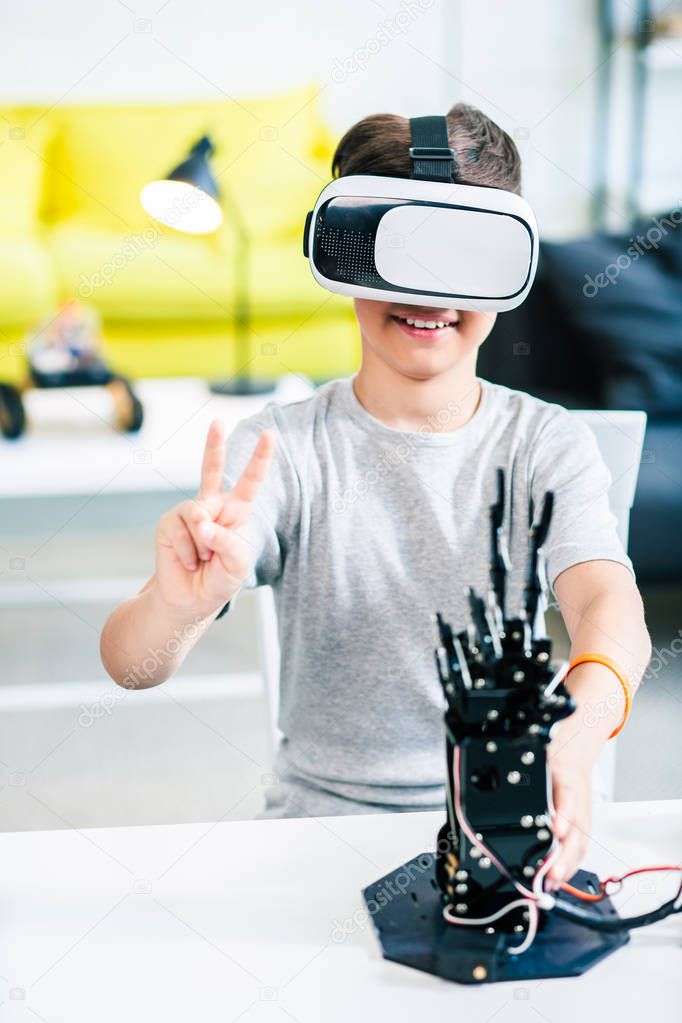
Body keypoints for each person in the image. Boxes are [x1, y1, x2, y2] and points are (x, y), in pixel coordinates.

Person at [100, 102, 651, 887]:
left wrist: (577, 734)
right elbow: (132, 663)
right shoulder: (280, 451)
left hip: (499, 825)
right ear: (349, 255)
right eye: (401, 252)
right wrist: (178, 602)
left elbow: (612, 609)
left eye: (463, 256)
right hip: (317, 834)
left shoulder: (546, 446)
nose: (430, 294)